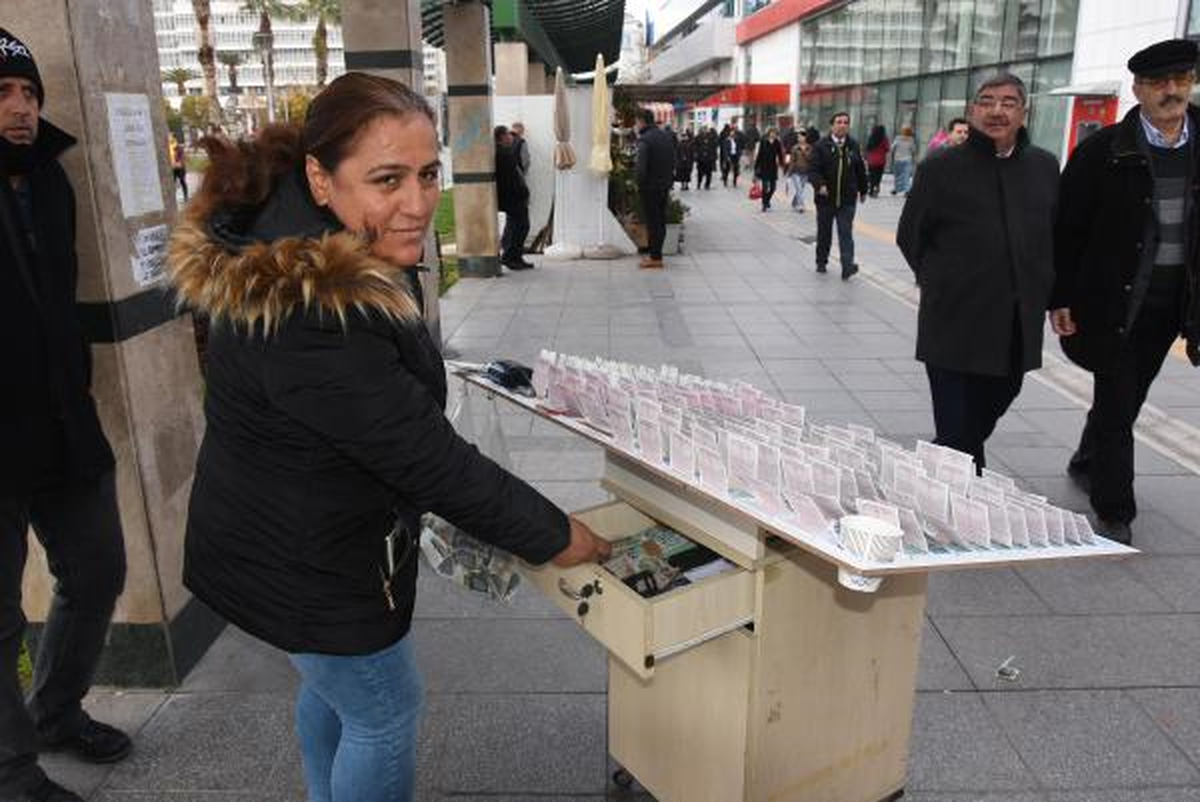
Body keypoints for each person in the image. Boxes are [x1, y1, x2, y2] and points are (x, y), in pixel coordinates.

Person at [167, 73, 612, 802]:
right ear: (319, 178)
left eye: (428, 173)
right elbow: (428, 461)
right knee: (383, 708)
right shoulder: (311, 311)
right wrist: (556, 534)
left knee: (334, 693)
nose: (417, 203)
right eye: (387, 179)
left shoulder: (307, 241)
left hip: (294, 533)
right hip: (303, 559)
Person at [0, 28, 130, 802]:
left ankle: (55, 711)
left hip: (62, 424)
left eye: (28, 92)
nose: (21, 108)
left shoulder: (49, 179)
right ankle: (12, 774)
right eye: (3, 94)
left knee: (98, 569)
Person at [1050, 39, 1200, 545]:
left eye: (1181, 79)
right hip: (1114, 302)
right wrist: (1059, 296)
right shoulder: (1103, 151)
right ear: (1137, 89)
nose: (1172, 91)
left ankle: (1086, 458)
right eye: (1159, 83)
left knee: (1129, 395)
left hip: (1177, 303)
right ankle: (1114, 508)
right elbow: (1068, 230)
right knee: (1117, 400)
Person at [897, 73, 1059, 473]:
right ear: (972, 111)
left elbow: (1053, 236)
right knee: (958, 434)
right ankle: (959, 487)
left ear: (1024, 113)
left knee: (988, 410)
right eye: (987, 102)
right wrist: (943, 282)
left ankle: (937, 469)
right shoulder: (940, 167)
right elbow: (910, 235)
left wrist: (1051, 295)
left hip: (1014, 326)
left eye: (1008, 103)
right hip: (953, 323)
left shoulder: (1043, 166)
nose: (996, 111)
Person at [808, 111, 868, 280]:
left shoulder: (853, 145)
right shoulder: (821, 146)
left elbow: (860, 169)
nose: (842, 125)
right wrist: (820, 185)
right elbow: (813, 170)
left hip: (847, 199)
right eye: (839, 122)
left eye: (845, 122)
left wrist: (863, 190)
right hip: (825, 199)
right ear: (832, 125)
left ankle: (847, 266)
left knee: (845, 232)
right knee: (824, 232)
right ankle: (821, 261)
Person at [636, 108, 675, 269]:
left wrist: (639, 184)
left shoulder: (645, 140)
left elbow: (641, 168)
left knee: (652, 222)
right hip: (664, 185)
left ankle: (655, 258)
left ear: (642, 121)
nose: (636, 125)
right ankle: (657, 254)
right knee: (660, 220)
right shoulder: (666, 136)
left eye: (637, 121)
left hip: (650, 187)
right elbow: (673, 160)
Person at [495, 125, 532, 270]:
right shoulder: (502, 154)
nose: (511, 137)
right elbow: (510, 179)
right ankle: (510, 257)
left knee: (515, 227)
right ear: (501, 138)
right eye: (508, 135)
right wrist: (521, 193)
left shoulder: (505, 152)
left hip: (515, 198)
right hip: (514, 198)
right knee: (521, 227)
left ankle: (515, 257)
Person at [753, 127, 784, 212]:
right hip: (764, 167)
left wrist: (782, 165)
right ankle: (764, 204)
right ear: (769, 133)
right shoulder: (763, 142)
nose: (773, 134)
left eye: (775, 133)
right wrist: (756, 167)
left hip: (773, 167)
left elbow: (780, 155)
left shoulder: (777, 143)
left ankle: (767, 200)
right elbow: (759, 155)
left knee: (773, 188)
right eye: (771, 132)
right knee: (765, 187)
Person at [786, 136, 812, 212]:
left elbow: (811, 159)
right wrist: (789, 172)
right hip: (796, 171)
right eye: (799, 137)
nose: (801, 139)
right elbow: (792, 160)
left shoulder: (809, 148)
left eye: (802, 137)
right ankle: (801, 205)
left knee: (801, 189)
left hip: (805, 171)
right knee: (799, 188)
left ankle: (794, 201)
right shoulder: (795, 148)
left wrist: (804, 153)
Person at [864, 125, 890, 197]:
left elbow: (867, 148)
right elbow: (887, 148)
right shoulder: (884, 139)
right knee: (878, 175)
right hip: (881, 161)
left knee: (872, 175)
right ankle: (876, 186)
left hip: (871, 160)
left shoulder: (871, 138)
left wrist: (866, 156)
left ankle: (871, 189)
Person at [891, 125, 916, 195]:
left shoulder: (897, 138)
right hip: (907, 159)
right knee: (906, 175)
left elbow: (892, 147)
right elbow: (913, 150)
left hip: (897, 158)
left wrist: (892, 155)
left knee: (897, 175)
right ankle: (906, 190)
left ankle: (896, 188)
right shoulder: (911, 140)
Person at [693, 125, 718, 190]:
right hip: (701, 158)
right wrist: (696, 154)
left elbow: (714, 147)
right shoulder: (698, 137)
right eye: (704, 129)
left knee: (709, 172)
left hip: (709, 158)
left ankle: (707, 184)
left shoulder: (711, 137)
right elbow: (695, 146)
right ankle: (699, 183)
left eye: (706, 129)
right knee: (700, 172)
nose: (705, 130)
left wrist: (714, 156)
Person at [170, 135, 188, 201]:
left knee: (182, 181)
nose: (170, 139)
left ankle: (185, 196)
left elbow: (182, 156)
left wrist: (179, 163)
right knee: (172, 183)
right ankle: (172, 198)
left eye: (172, 138)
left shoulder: (179, 148)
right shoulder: (168, 147)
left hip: (180, 168)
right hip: (172, 168)